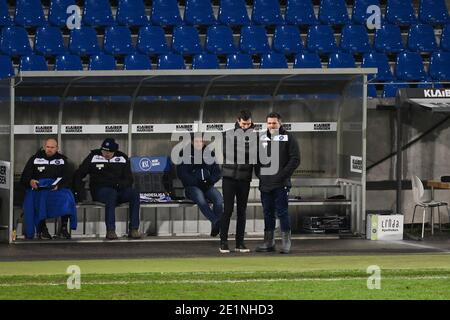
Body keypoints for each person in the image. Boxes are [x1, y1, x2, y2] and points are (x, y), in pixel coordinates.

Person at [74, 138, 141, 240]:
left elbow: (129, 179)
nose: (106, 153)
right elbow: (79, 174)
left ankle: (134, 229)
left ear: (115, 151)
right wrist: (79, 192)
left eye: (109, 152)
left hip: (119, 189)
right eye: (104, 151)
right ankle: (110, 230)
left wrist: (120, 185)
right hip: (100, 190)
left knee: (134, 194)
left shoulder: (122, 158)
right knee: (111, 194)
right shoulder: (93, 156)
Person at [256, 112, 300, 254]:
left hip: (281, 184)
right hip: (265, 184)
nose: (271, 125)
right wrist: (260, 175)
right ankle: (269, 242)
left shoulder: (289, 138)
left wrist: (282, 175)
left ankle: (286, 243)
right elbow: (256, 159)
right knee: (267, 213)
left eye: (274, 123)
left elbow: (295, 159)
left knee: (282, 212)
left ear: (280, 123)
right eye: (269, 123)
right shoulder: (262, 137)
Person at [20, 138, 77, 240]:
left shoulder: (62, 160)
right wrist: (30, 182)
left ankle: (63, 228)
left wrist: (59, 185)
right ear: (44, 146)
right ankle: (42, 228)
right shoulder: (35, 159)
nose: (49, 149)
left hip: (56, 189)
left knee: (68, 196)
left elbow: (68, 178)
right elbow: (24, 177)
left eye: (52, 147)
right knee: (41, 198)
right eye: (47, 147)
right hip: (39, 189)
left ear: (57, 148)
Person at [219, 110, 256, 253]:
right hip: (229, 178)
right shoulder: (227, 134)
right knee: (227, 210)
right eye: (243, 123)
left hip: (244, 179)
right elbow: (230, 153)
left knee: (242, 211)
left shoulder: (255, 136)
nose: (245, 126)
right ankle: (223, 242)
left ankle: (240, 243)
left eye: (248, 124)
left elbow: (254, 154)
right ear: (237, 121)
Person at [177, 135, 223, 237]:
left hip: (207, 185)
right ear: (192, 142)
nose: (199, 144)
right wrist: (197, 182)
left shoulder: (209, 153)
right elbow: (182, 174)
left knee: (218, 199)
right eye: (197, 141)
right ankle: (216, 221)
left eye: (201, 141)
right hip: (191, 187)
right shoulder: (185, 153)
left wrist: (209, 181)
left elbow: (217, 172)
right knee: (200, 198)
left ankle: (216, 228)